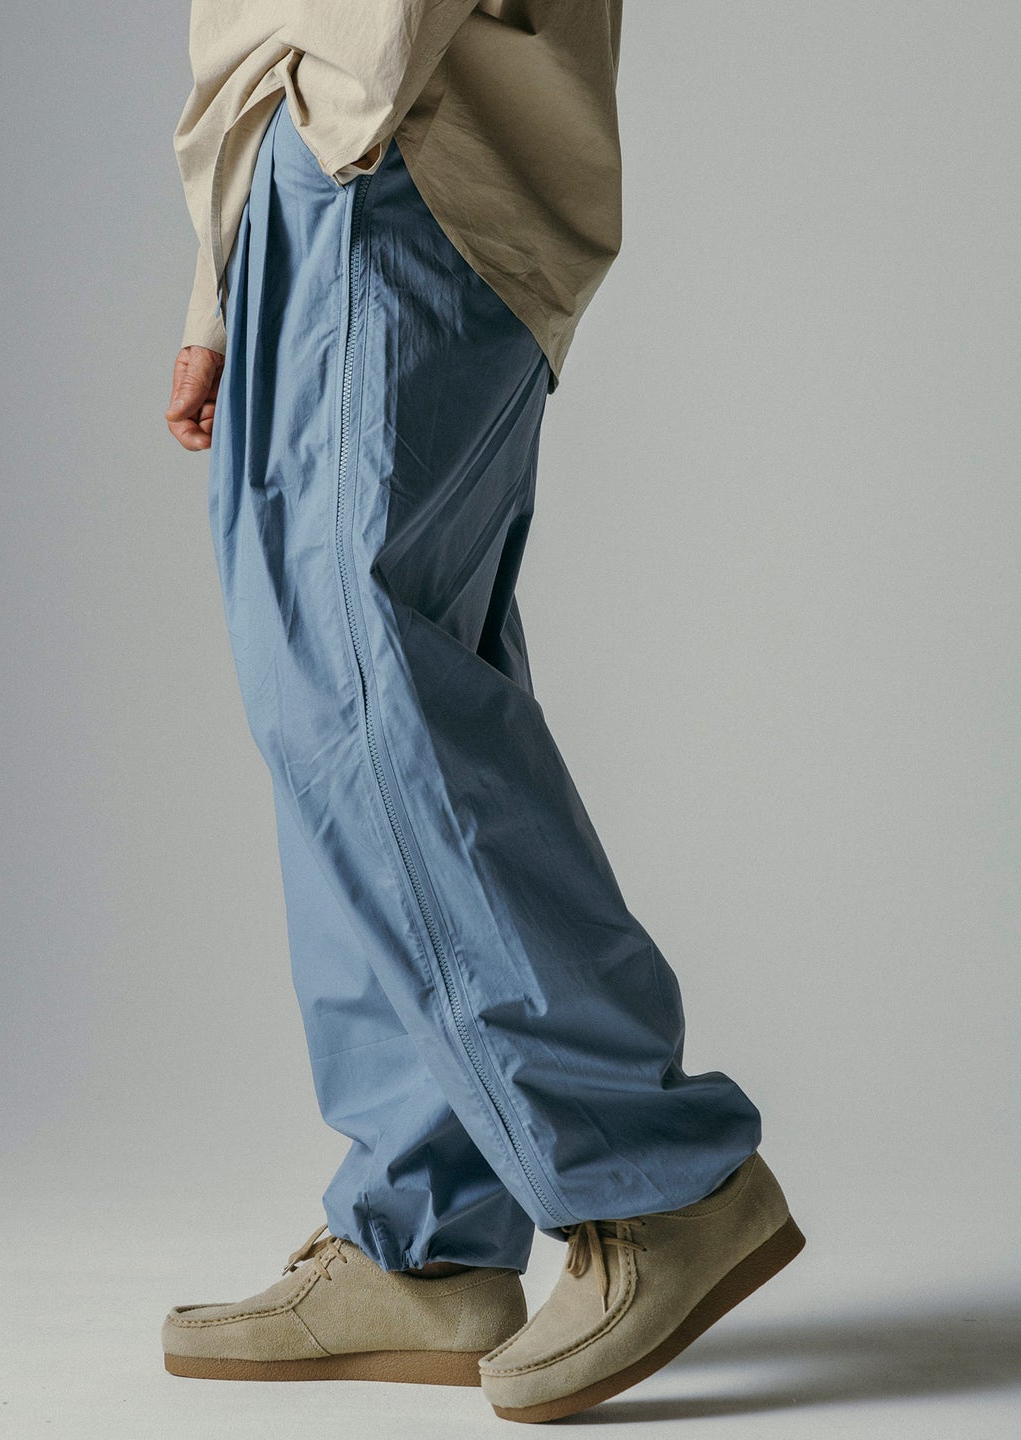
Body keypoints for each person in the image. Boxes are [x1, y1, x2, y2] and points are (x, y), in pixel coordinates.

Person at [160, 2, 804, 1423]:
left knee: (359, 692)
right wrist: (228, 260)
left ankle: (658, 1176)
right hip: (337, 158)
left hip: (391, 149)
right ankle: (426, 1233)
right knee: (354, 694)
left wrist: (342, 121)